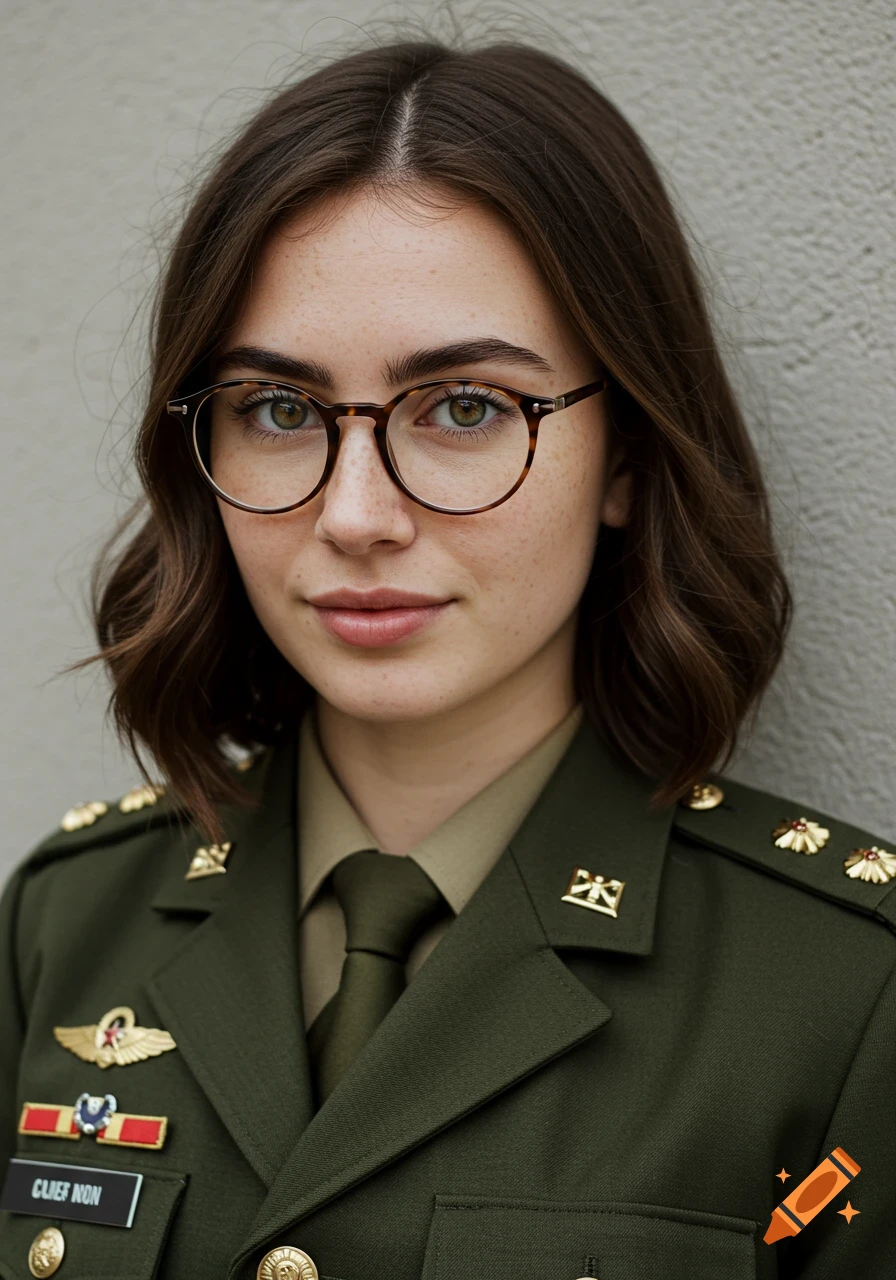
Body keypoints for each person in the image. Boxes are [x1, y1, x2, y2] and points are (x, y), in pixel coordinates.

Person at [0, 36, 893, 1280]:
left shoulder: (843, 987)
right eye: (278, 409)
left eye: (465, 407)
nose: (355, 514)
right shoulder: (66, 920)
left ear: (627, 455)